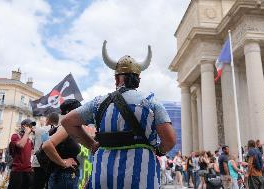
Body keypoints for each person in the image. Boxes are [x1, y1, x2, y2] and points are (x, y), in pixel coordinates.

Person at [61, 40, 176, 188]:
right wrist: (159, 150)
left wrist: (91, 145)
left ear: (116, 79)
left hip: (102, 175)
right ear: (138, 80)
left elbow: (67, 122)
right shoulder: (151, 102)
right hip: (141, 176)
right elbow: (170, 140)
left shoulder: (98, 103)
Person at [42, 99, 82, 189]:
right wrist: (63, 162)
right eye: (79, 110)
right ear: (69, 112)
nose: (80, 114)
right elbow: (47, 145)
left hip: (62, 176)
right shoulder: (65, 128)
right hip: (63, 177)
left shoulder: (66, 127)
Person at [32, 113, 59, 189]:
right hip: (52, 162)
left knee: (37, 185)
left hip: (38, 162)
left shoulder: (39, 129)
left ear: (48, 120)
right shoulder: (59, 130)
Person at [8, 119, 35, 189]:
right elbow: (21, 145)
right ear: (23, 126)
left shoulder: (30, 140)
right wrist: (26, 133)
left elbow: (32, 154)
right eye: (29, 126)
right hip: (17, 171)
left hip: (28, 171)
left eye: (31, 126)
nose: (31, 127)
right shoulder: (15, 136)